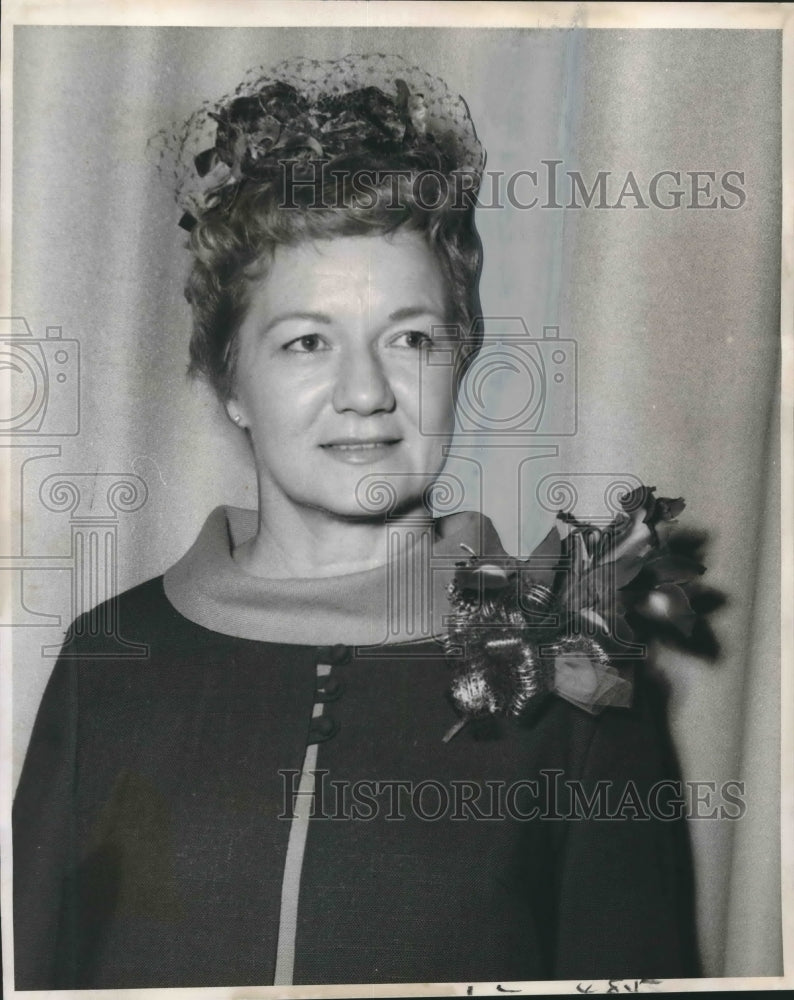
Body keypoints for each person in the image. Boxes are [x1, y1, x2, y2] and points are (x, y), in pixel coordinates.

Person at [12, 54, 698, 989]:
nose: (368, 392)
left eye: (411, 339)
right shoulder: (111, 657)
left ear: (463, 361)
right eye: (306, 342)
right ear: (230, 381)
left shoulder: (575, 672)